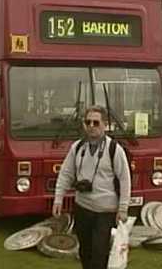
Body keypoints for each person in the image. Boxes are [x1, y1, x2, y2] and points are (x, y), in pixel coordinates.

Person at [53, 105, 131, 269]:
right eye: (88, 122)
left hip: (105, 211)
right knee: (85, 252)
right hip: (82, 208)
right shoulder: (78, 147)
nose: (91, 126)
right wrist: (58, 199)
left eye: (96, 123)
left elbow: (125, 180)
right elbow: (66, 174)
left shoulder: (114, 150)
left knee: (99, 253)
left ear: (104, 125)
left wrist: (123, 208)